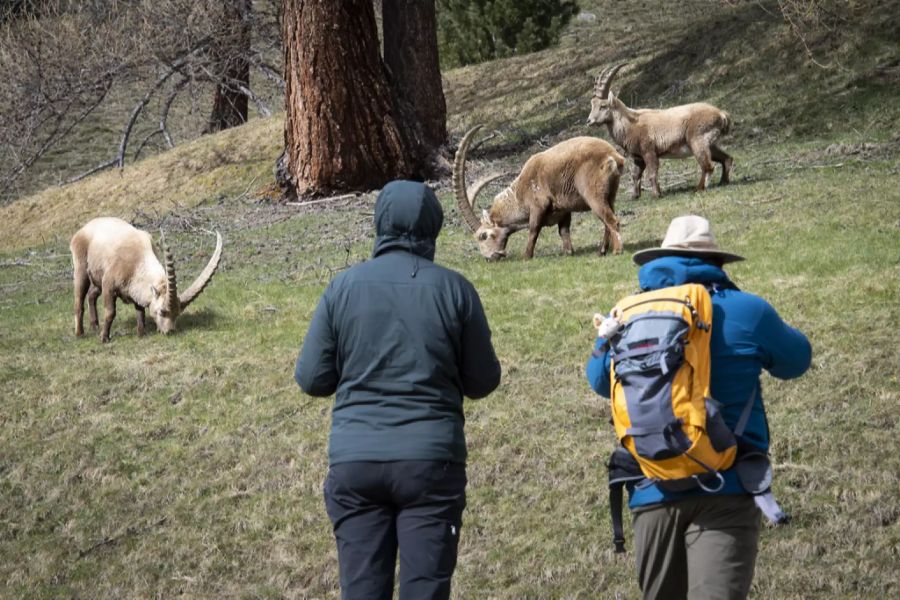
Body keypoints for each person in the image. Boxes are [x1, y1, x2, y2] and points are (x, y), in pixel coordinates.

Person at [295, 180, 502, 600]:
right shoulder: (455, 290)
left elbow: (312, 379)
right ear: (433, 226)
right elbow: (484, 381)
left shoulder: (342, 288)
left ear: (380, 224)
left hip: (356, 462)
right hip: (431, 463)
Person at [587, 215, 812, 600]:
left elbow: (597, 381)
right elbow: (797, 361)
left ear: (659, 261)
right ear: (717, 263)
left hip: (652, 487)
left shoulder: (627, 314)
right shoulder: (748, 310)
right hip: (727, 485)